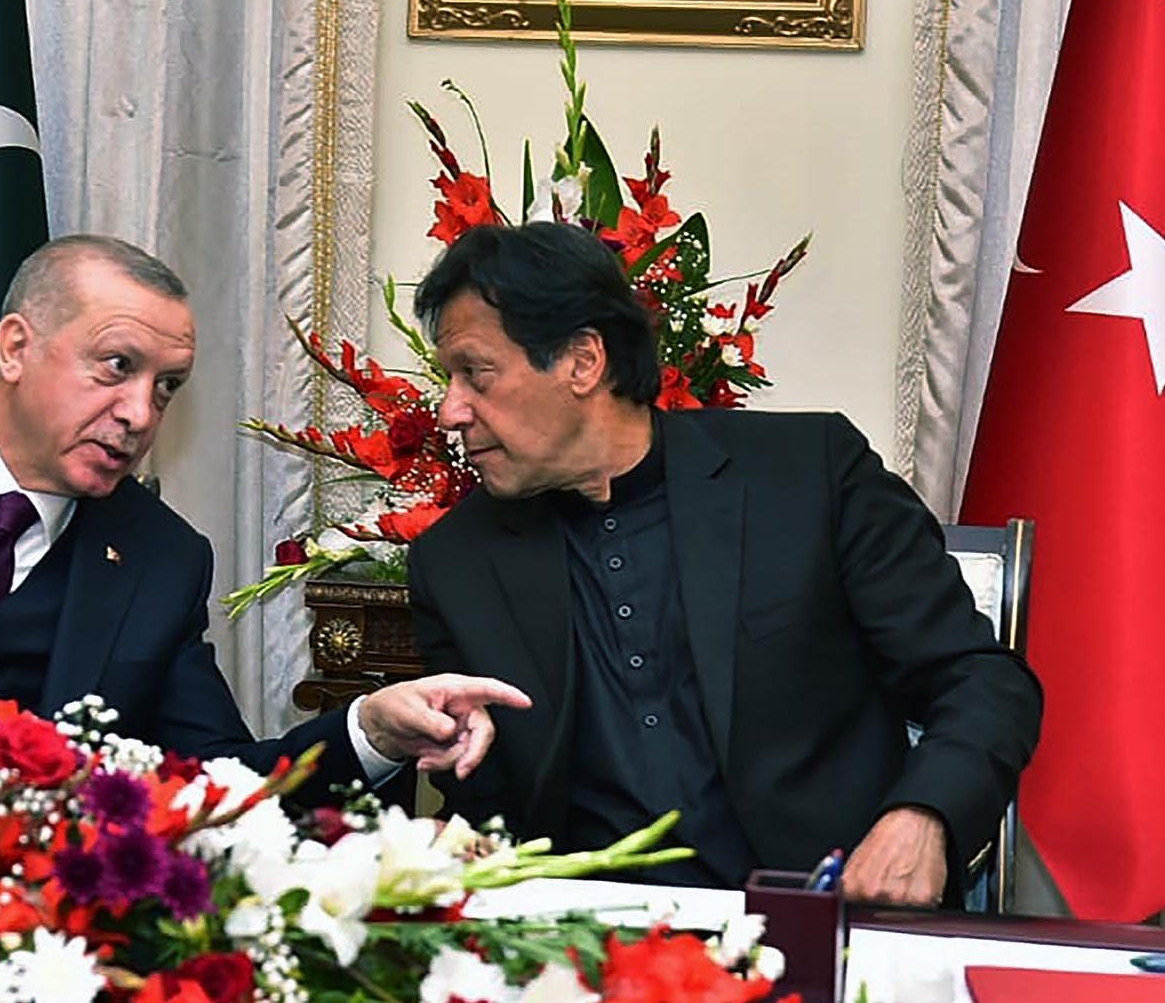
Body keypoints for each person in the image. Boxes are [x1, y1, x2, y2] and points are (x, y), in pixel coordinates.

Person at [407, 222, 1043, 904]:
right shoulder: (456, 562)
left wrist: (925, 816)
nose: (449, 409)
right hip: (591, 953)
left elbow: (980, 680)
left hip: (824, 927)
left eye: (475, 374)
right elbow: (488, 811)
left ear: (582, 362)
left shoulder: (808, 474)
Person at [0, 234, 529, 803]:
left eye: (166, 387)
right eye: (116, 365)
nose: (141, 414)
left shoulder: (158, 561)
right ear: (16, 347)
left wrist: (371, 730)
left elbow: (218, 783)